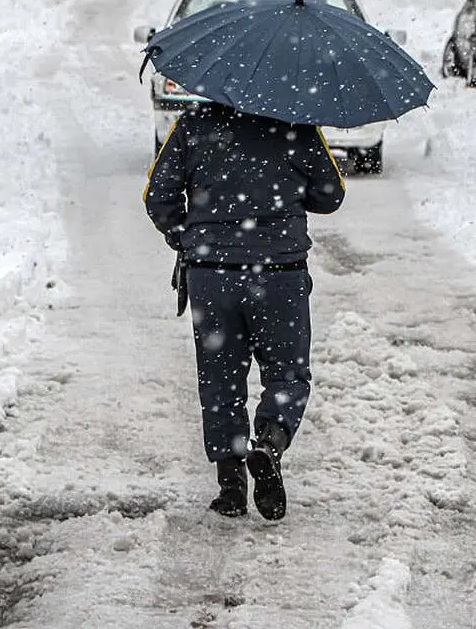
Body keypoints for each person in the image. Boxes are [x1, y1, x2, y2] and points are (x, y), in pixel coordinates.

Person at [144, 102, 345, 521]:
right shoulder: (296, 123)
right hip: (280, 274)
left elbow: (158, 196)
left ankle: (230, 486)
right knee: (287, 373)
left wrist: (187, 237)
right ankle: (269, 444)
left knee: (219, 377)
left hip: (211, 274)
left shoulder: (192, 124)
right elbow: (331, 195)